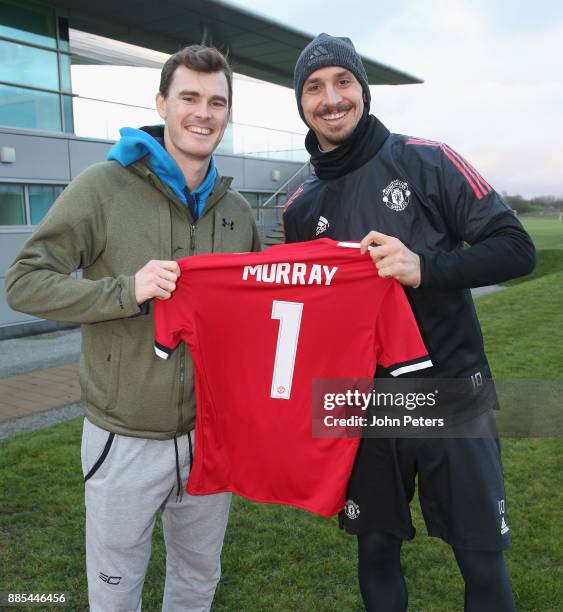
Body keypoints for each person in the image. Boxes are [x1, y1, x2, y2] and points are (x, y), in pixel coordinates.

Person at [284, 33, 536, 611]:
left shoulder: (427, 158)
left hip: (451, 389)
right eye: (314, 87)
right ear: (301, 103)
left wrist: (426, 267)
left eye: (343, 81)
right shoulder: (299, 202)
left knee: (480, 559)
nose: (331, 99)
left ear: (363, 91)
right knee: (374, 553)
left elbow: (516, 247)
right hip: (363, 402)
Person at [6, 45, 260, 611]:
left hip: (209, 439)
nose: (204, 112)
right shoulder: (104, 186)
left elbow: (257, 316)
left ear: (228, 113)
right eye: (189, 97)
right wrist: (127, 290)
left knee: (197, 585)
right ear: (162, 103)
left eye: (217, 101)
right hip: (123, 438)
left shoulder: (237, 210)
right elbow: (23, 282)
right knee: (115, 594)